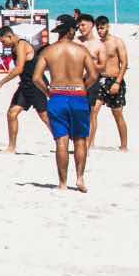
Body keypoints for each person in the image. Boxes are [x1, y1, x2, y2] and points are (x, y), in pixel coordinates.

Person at [30, 15, 101, 191]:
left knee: (61, 141)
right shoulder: (81, 50)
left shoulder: (48, 51)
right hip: (78, 96)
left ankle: (62, 183)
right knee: (80, 140)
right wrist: (83, 87)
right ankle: (79, 178)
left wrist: (48, 92)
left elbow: (36, 78)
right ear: (70, 30)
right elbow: (93, 75)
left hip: (57, 97)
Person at [0, 25, 50, 152]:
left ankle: (62, 141)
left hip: (36, 85)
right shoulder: (14, 46)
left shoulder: (20, 45)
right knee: (12, 114)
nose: (3, 45)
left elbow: (19, 68)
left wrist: (1, 82)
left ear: (10, 36)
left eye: (3, 41)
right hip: (25, 86)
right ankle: (11, 147)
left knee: (45, 117)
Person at [89, 16, 129, 151]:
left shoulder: (117, 42)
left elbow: (124, 63)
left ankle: (124, 146)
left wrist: (117, 82)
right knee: (93, 111)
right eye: (98, 28)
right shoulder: (97, 44)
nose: (100, 31)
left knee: (117, 114)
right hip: (99, 80)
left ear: (108, 26)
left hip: (114, 80)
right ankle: (91, 143)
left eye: (102, 27)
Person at [74, 14, 106, 110]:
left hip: (92, 81)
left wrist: (88, 66)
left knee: (91, 113)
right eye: (79, 26)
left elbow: (103, 66)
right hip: (75, 81)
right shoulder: (75, 41)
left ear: (91, 25)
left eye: (83, 25)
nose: (80, 28)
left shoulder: (99, 45)